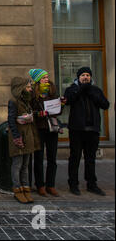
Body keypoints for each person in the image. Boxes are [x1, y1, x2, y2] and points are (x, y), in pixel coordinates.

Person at [64, 67, 109, 196]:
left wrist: (90, 92)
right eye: (83, 75)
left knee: (90, 159)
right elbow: (69, 101)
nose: (85, 77)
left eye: (88, 75)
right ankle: (73, 184)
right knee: (75, 158)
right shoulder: (72, 89)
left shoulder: (96, 90)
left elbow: (105, 105)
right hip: (77, 130)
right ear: (78, 77)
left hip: (93, 130)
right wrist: (80, 89)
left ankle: (91, 184)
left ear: (91, 77)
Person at [29, 69, 63, 197]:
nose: (46, 80)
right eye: (43, 78)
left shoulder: (52, 91)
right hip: (39, 128)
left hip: (51, 128)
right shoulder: (33, 94)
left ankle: (51, 185)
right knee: (38, 158)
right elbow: (30, 111)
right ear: (38, 80)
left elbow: (57, 111)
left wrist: (62, 104)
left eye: (47, 77)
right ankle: (40, 185)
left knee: (52, 158)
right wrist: (39, 114)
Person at [8, 77, 40, 204]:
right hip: (19, 135)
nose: (30, 89)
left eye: (30, 87)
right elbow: (11, 119)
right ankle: (17, 189)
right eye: (27, 87)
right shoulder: (13, 101)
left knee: (26, 165)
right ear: (20, 88)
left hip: (28, 134)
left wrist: (31, 117)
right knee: (17, 164)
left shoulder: (28, 101)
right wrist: (16, 137)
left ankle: (26, 189)